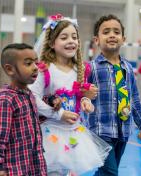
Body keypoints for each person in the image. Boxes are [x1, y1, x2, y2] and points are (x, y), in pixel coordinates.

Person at [30, 14, 111, 176]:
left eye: (74, 37)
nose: (71, 41)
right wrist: (59, 114)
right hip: (50, 133)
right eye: (64, 37)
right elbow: (33, 98)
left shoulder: (80, 69)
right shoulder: (45, 69)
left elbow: (81, 96)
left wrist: (87, 101)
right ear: (52, 43)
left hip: (75, 134)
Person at [87, 14, 141, 176]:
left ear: (123, 39)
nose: (111, 35)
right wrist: (84, 94)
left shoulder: (128, 68)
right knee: (110, 172)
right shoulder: (91, 68)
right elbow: (80, 95)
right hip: (100, 131)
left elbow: (135, 100)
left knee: (104, 172)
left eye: (116, 32)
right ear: (96, 40)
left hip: (122, 131)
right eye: (106, 32)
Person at [0, 43, 47, 176]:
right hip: (15, 169)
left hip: (34, 167)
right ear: (10, 69)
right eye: (28, 64)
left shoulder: (28, 95)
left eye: (36, 63)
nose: (35, 68)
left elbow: (31, 123)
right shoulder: (5, 99)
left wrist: (51, 101)